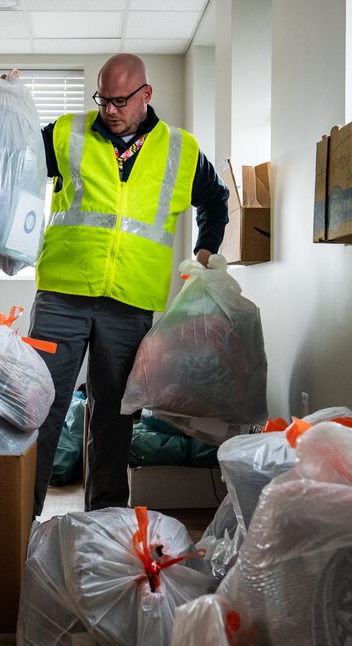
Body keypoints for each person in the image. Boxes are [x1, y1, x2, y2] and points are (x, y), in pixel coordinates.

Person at [29, 53, 230, 516]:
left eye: (120, 100)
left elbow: (216, 202)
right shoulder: (66, 132)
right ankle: (22, 514)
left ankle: (106, 521)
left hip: (131, 302)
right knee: (41, 405)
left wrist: (204, 252)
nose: (110, 109)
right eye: (102, 99)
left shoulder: (179, 149)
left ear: (146, 95)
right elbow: (11, 165)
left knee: (116, 416)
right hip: (62, 294)